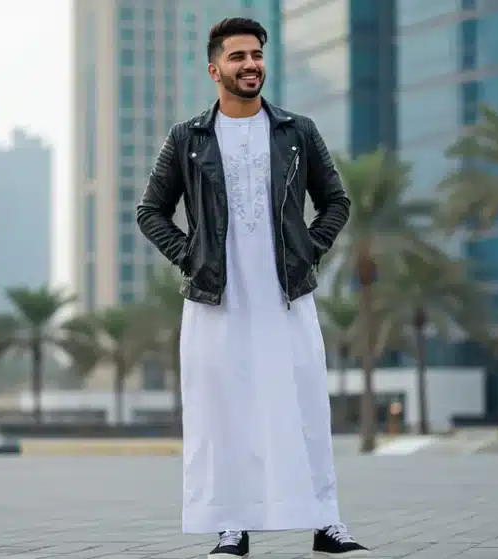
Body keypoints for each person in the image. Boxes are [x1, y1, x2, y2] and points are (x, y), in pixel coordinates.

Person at [136, 16, 370, 559]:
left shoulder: (297, 131)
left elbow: (337, 201)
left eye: (257, 55)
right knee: (222, 410)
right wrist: (188, 257)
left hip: (288, 295)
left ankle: (325, 522)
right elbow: (151, 211)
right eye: (238, 57)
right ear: (214, 68)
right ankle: (231, 525)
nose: (251, 65)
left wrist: (309, 248)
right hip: (216, 300)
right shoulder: (187, 137)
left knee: (307, 406)